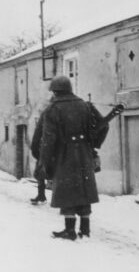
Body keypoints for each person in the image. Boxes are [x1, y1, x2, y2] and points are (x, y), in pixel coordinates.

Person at [39, 76, 105, 240]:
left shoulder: (52, 109)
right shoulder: (84, 105)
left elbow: (48, 139)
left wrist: (44, 162)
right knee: (83, 188)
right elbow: (104, 125)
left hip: (64, 154)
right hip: (84, 153)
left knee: (67, 190)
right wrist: (94, 145)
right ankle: (85, 229)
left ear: (55, 91)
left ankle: (69, 230)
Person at [30, 111, 48, 205]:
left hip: (46, 153)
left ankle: (42, 195)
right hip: (43, 153)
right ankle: (41, 195)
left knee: (42, 174)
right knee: (40, 174)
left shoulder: (47, 116)